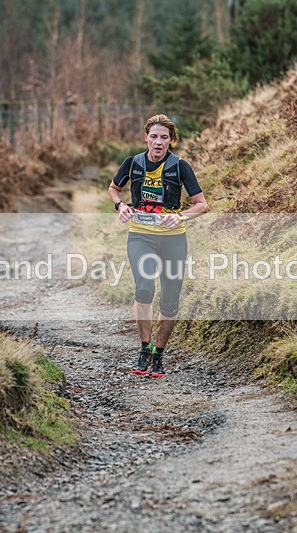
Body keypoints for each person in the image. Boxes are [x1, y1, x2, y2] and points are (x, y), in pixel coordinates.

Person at [108, 114, 208, 378]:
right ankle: (144, 348)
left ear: (171, 141)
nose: (158, 142)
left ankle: (159, 355)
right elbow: (113, 189)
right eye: (154, 136)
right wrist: (120, 206)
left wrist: (179, 216)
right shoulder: (133, 163)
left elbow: (201, 204)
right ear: (146, 138)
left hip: (173, 238)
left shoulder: (180, 167)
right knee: (144, 288)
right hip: (140, 235)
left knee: (170, 301)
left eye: (164, 137)